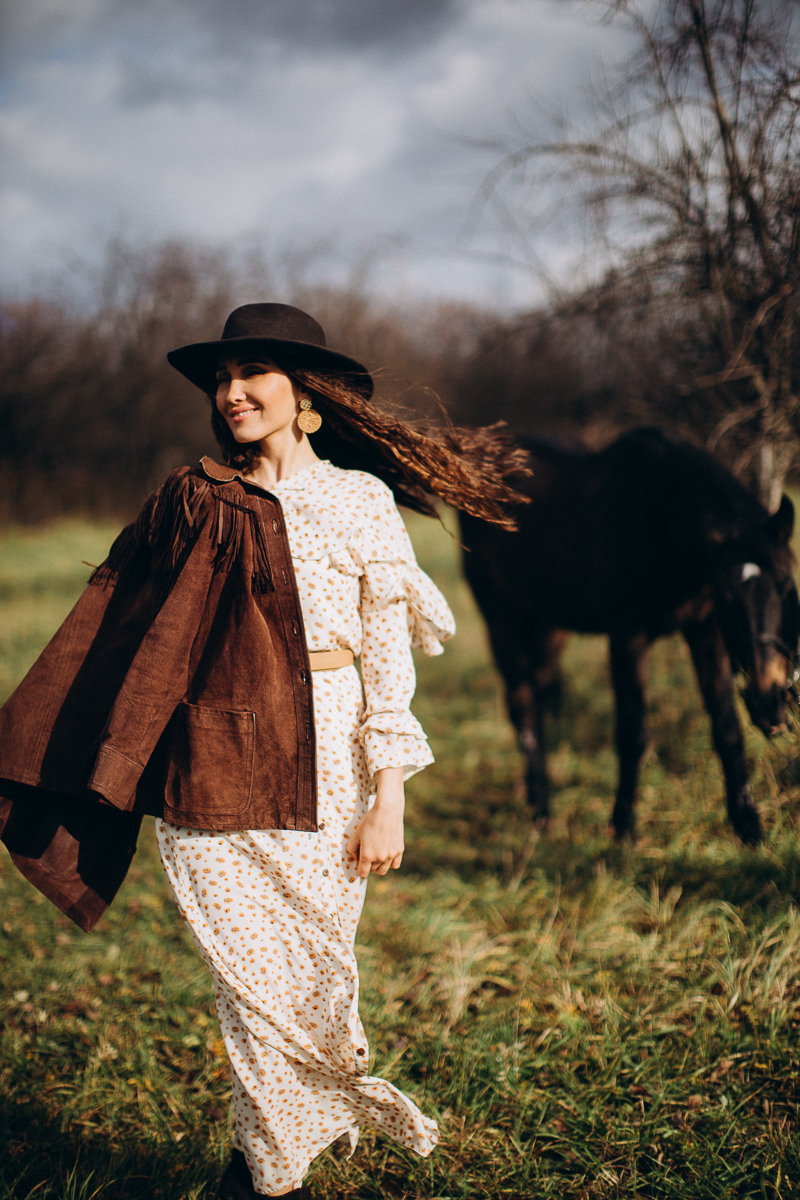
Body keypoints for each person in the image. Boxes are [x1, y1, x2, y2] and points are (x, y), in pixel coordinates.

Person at [0, 303, 527, 1200]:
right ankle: (266, 1183)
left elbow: (386, 662)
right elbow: (128, 629)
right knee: (250, 998)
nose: (232, 391)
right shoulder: (192, 494)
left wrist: (388, 795)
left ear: (304, 391)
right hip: (212, 769)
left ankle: (254, 1164)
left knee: (316, 983)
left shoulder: (360, 502)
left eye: (252, 373)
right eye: (222, 377)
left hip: (333, 769)